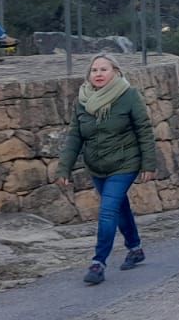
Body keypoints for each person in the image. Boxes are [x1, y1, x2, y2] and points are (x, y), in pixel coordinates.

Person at [55, 54, 158, 285]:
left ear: (115, 72)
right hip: (97, 166)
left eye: (104, 69)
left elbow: (144, 130)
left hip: (125, 163)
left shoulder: (128, 95)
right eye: (94, 70)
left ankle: (98, 262)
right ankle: (135, 248)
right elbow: (75, 136)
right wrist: (64, 168)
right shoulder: (82, 100)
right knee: (120, 207)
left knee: (108, 210)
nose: (98, 74)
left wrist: (148, 164)